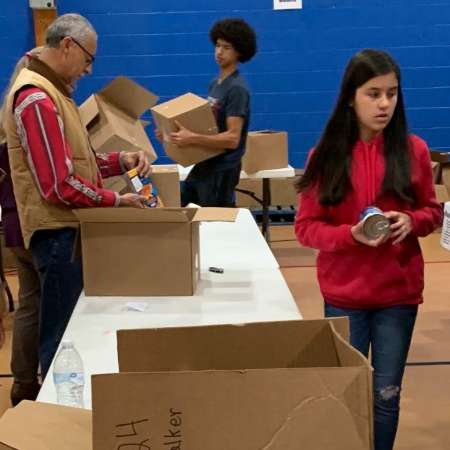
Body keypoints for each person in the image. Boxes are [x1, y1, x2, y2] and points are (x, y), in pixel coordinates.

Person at [294, 49, 443, 450]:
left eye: (392, 94)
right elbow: (306, 229)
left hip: (398, 297)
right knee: (346, 396)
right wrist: (350, 236)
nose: (384, 104)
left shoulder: (414, 151)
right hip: (344, 299)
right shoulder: (324, 158)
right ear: (350, 97)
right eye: (373, 93)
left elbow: (432, 211)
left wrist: (413, 221)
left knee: (385, 396)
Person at [3, 14, 150, 379]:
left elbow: (74, 162)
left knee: (41, 316)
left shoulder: (53, 93)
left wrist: (119, 161)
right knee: (61, 339)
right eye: (89, 59)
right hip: (55, 233)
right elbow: (58, 184)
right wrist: (116, 201)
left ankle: (33, 396)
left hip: (55, 230)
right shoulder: (37, 98)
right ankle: (57, 419)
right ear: (67, 45)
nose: (88, 70)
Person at [165, 18, 257, 207]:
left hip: (222, 169)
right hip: (206, 162)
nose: (219, 52)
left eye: (227, 47)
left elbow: (232, 139)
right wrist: (171, 131)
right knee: (184, 204)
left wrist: (191, 138)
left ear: (239, 51)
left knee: (216, 223)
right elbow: (209, 129)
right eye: (217, 45)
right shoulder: (215, 84)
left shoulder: (237, 89)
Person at [0, 47, 42, 405]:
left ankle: (22, 383)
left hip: (12, 225)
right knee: (52, 304)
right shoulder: (33, 111)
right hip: (36, 223)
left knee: (30, 304)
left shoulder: (4, 122)